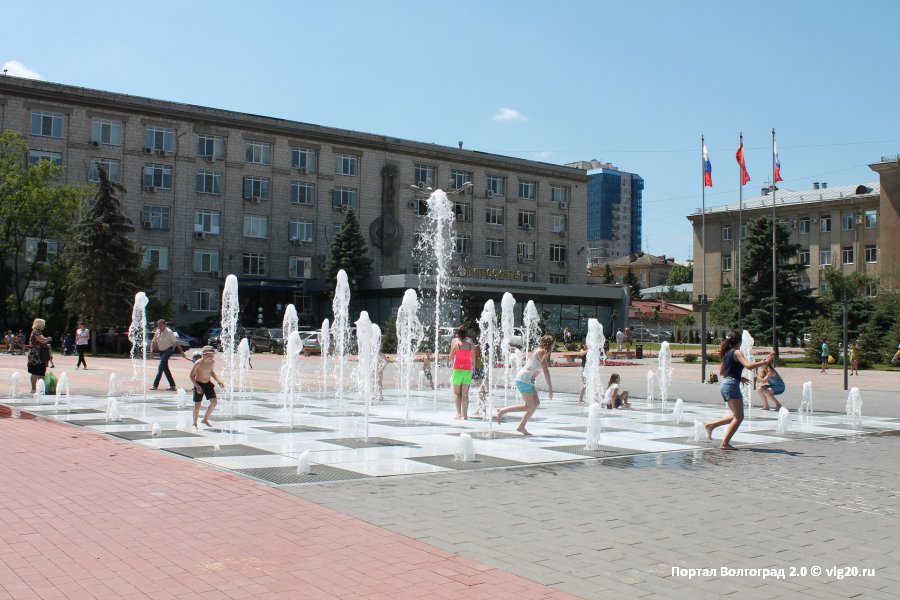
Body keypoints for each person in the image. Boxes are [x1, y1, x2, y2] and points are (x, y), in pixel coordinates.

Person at [705, 330, 774, 450]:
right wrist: (764, 362)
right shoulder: (737, 352)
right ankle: (725, 444)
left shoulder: (726, 353)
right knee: (739, 417)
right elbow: (748, 366)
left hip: (725, 384)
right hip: (731, 385)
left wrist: (739, 376)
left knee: (736, 415)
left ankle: (711, 425)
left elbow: (722, 372)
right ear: (740, 341)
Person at [497, 335, 554, 436]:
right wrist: (550, 388)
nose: (554, 346)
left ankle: (521, 426)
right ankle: (502, 411)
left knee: (535, 403)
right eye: (553, 344)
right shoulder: (541, 352)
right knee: (528, 406)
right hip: (524, 379)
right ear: (549, 344)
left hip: (527, 380)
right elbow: (546, 371)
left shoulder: (540, 351)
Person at [189, 346, 223, 431]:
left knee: (214, 402)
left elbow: (211, 372)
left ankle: (205, 419)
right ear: (204, 355)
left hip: (208, 384)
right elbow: (191, 376)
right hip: (199, 384)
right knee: (197, 405)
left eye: (212, 355)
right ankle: (194, 423)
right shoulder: (198, 363)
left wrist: (218, 380)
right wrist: (197, 386)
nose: (211, 357)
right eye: (209, 355)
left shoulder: (212, 362)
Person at [150, 319, 187, 391]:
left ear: (164, 325)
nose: (159, 326)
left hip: (168, 350)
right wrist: (151, 351)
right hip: (161, 351)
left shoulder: (169, 332)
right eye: (158, 325)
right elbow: (153, 342)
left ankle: (155, 385)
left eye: (161, 325)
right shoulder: (157, 331)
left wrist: (182, 353)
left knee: (161, 367)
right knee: (165, 369)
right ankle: (172, 385)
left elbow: (176, 342)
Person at [448, 326, 474, 419]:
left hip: (457, 370)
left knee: (456, 393)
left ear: (458, 335)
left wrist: (452, 366)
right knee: (465, 393)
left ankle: (459, 414)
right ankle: (465, 415)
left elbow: (451, 358)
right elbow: (473, 359)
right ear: (466, 335)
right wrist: (473, 370)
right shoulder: (471, 345)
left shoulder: (456, 345)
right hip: (467, 370)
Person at [26, 318, 53, 393]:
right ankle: (34, 389)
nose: (44, 325)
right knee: (36, 372)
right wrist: (49, 338)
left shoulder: (37, 331)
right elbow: (42, 340)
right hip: (36, 356)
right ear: (39, 324)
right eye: (43, 324)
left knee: (40, 372)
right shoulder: (36, 331)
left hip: (38, 355)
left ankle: (38, 389)